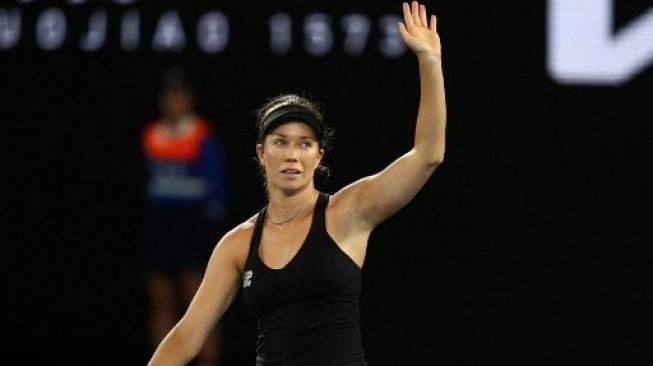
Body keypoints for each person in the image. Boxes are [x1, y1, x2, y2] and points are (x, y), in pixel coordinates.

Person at [148, 2, 445, 365]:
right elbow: (186, 335)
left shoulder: (347, 212)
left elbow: (428, 154)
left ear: (318, 156)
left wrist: (430, 61)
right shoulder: (239, 244)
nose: (293, 154)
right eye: (280, 142)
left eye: (305, 144)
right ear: (261, 153)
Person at [143, 67, 229, 366]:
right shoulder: (151, 135)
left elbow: (217, 188)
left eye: (180, 95)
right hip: (160, 225)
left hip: (194, 225)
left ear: (188, 99)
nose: (174, 102)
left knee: (199, 302)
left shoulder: (203, 136)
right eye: (170, 96)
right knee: (161, 299)